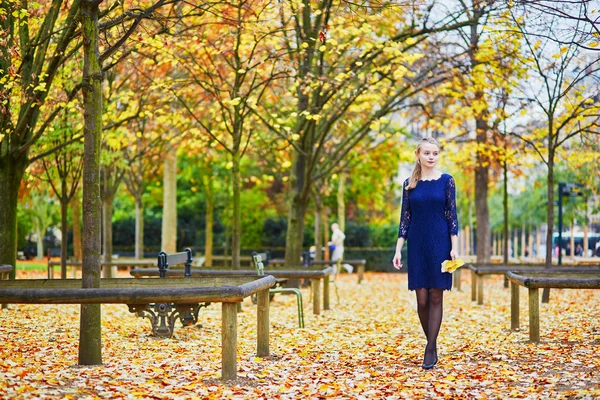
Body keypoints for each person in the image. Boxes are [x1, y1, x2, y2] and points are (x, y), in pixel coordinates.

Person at [392, 137, 459, 370]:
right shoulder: (409, 184)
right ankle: (432, 341)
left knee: (436, 296)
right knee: (421, 299)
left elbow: (452, 217)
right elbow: (404, 219)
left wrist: (455, 246)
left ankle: (430, 348)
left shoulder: (446, 181)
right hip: (417, 244)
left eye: (435, 153)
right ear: (418, 154)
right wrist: (398, 248)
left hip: (441, 243)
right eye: (427, 153)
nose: (431, 156)